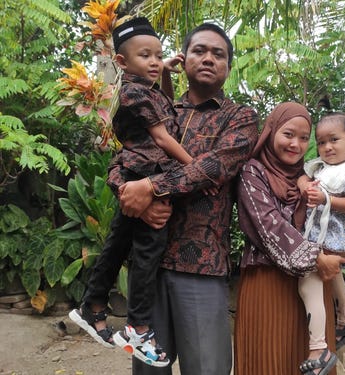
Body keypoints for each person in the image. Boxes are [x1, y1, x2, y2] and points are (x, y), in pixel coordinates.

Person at [112, 23, 259, 375]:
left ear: (227, 66)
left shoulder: (239, 118)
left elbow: (211, 169)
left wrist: (149, 188)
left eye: (218, 54)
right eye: (199, 51)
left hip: (201, 266)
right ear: (183, 58)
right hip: (148, 264)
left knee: (207, 368)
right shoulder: (153, 109)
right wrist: (130, 195)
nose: (208, 58)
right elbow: (118, 164)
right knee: (147, 370)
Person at [69, 16, 194, 367]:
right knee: (147, 255)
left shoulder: (140, 89)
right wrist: (194, 166)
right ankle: (138, 327)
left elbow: (167, 111)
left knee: (118, 243)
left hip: (133, 172)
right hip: (147, 176)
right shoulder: (136, 92)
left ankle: (92, 305)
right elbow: (164, 136)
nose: (155, 62)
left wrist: (165, 71)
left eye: (158, 54)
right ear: (122, 62)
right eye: (145, 56)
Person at [234, 102, 345, 375]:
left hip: (314, 290)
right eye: (288, 134)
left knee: (309, 361)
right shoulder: (253, 172)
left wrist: (342, 256)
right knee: (267, 362)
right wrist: (318, 258)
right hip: (268, 284)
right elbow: (269, 226)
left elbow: (340, 221)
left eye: (303, 137)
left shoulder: (313, 176)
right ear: (271, 131)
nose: (295, 144)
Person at [298, 112, 345, 357]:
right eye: (321, 142)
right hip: (321, 232)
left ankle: (318, 345)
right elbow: (302, 176)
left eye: (334, 140)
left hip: (338, 235)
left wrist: (325, 198)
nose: (327, 147)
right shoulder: (322, 167)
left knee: (311, 279)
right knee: (333, 274)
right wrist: (305, 186)